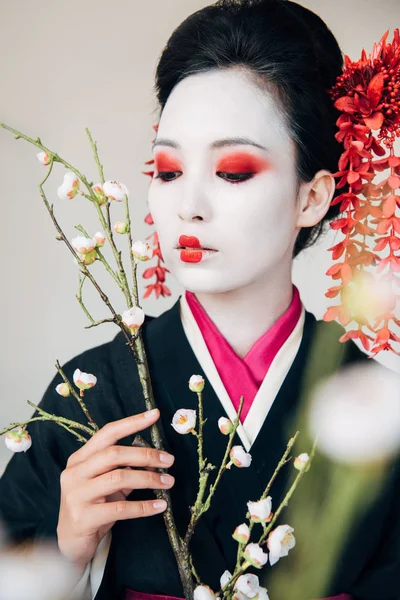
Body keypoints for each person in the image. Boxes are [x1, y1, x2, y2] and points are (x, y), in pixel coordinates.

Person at [0, 1, 399, 599]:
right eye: (166, 170)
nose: (188, 205)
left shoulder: (380, 417)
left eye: (233, 171)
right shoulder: (90, 394)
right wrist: (66, 548)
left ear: (313, 197)